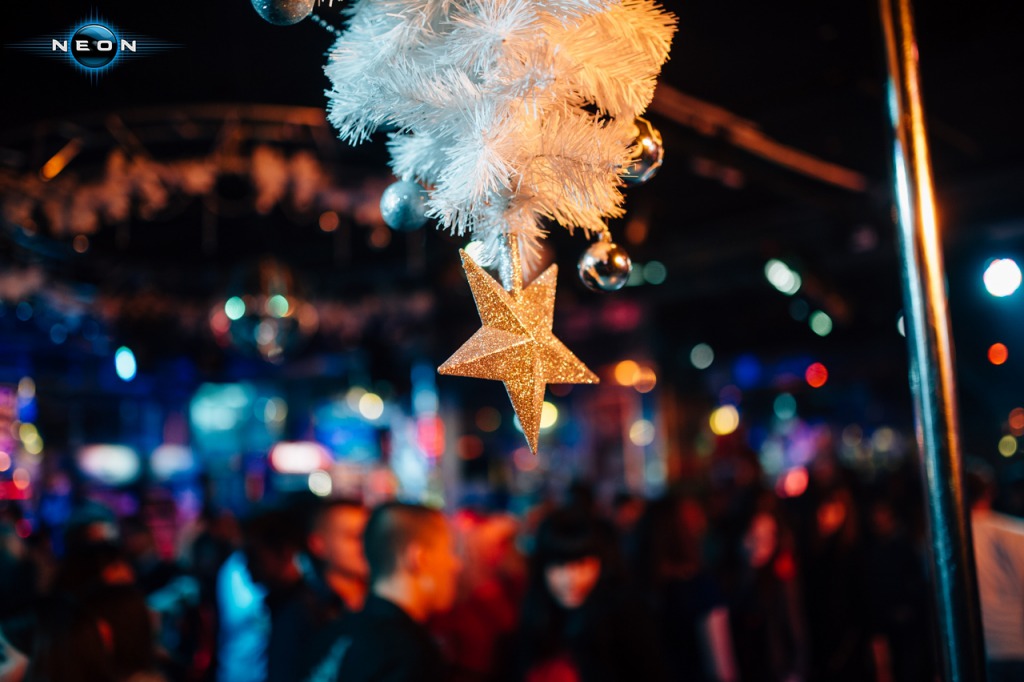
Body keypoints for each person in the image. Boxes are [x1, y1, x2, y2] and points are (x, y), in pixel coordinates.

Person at [510, 507, 665, 682]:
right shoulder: (536, 615)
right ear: (542, 569)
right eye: (559, 565)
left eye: (581, 563)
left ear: (602, 563)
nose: (570, 579)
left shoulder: (626, 617)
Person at [311, 503, 461, 682]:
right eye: (449, 550)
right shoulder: (406, 653)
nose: (455, 565)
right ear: (419, 558)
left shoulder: (336, 634)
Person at [242, 506, 333, 682]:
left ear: (285, 552)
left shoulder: (301, 612)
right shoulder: (296, 605)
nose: (247, 565)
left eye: (254, 555)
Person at [968, 462, 1024, 682]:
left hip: (977, 647)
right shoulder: (1016, 533)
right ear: (990, 491)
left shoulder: (945, 542)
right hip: (1017, 644)